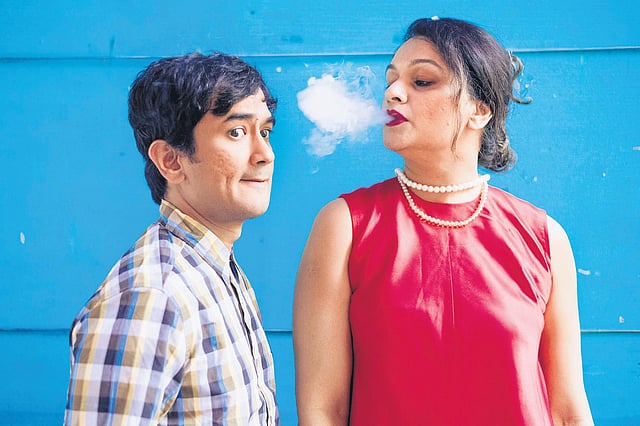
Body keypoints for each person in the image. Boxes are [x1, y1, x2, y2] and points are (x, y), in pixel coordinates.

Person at [293, 17, 594, 426]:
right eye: (391, 81)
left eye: (422, 81)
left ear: (479, 110)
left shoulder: (544, 238)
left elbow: (568, 412)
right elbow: (322, 412)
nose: (392, 93)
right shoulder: (345, 226)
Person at [65, 52, 280, 425]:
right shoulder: (153, 296)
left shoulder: (216, 270)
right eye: (236, 132)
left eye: (265, 131)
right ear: (171, 160)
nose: (265, 154)